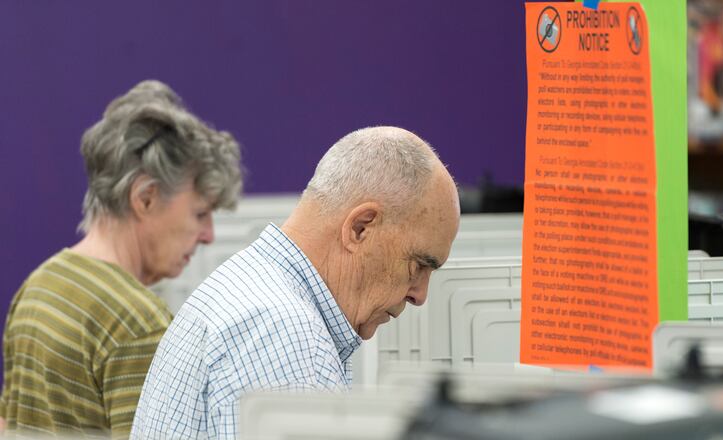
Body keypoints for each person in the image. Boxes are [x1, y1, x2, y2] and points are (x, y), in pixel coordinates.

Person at [131, 126, 460, 439]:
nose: (421, 295)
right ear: (360, 227)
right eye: (418, 265)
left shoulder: (253, 288)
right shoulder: (284, 334)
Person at [0, 80, 243, 437]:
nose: (209, 236)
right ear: (145, 198)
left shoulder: (38, 286)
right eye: (200, 213)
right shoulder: (140, 327)